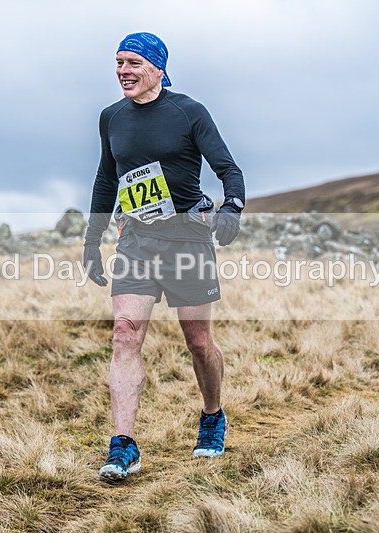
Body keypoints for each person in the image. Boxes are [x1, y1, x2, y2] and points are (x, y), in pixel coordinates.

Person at [83, 32, 245, 482]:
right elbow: (104, 179)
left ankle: (212, 415)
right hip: (135, 239)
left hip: (187, 239)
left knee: (197, 341)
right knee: (124, 334)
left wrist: (232, 206)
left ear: (157, 67)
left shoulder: (188, 112)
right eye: (118, 63)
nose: (123, 71)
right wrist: (92, 240)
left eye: (133, 62)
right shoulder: (110, 118)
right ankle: (123, 446)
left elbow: (228, 168)